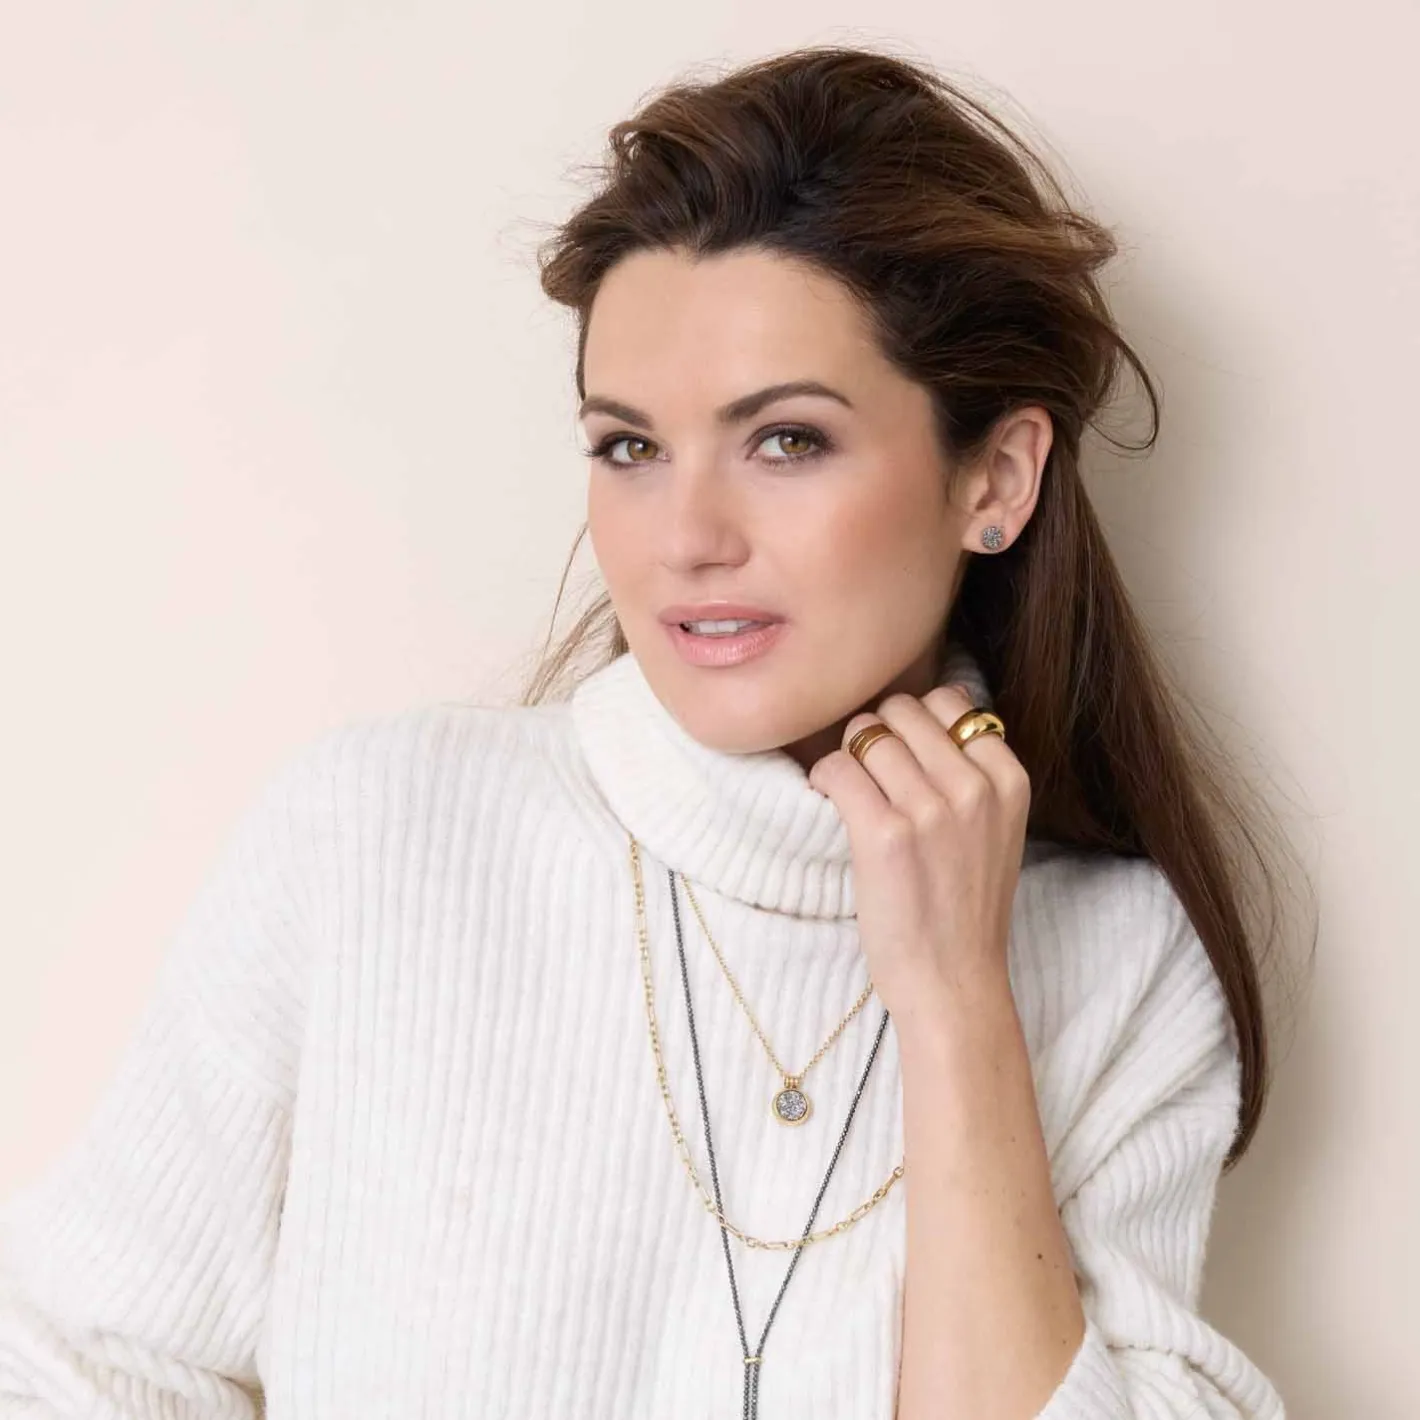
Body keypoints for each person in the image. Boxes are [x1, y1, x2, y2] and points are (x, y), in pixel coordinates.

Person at [0, 43, 1293, 1420]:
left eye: (785, 440)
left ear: (998, 477)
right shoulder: (376, 835)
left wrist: (958, 1002)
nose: (686, 538)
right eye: (629, 447)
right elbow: (77, 1362)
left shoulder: (1123, 963)